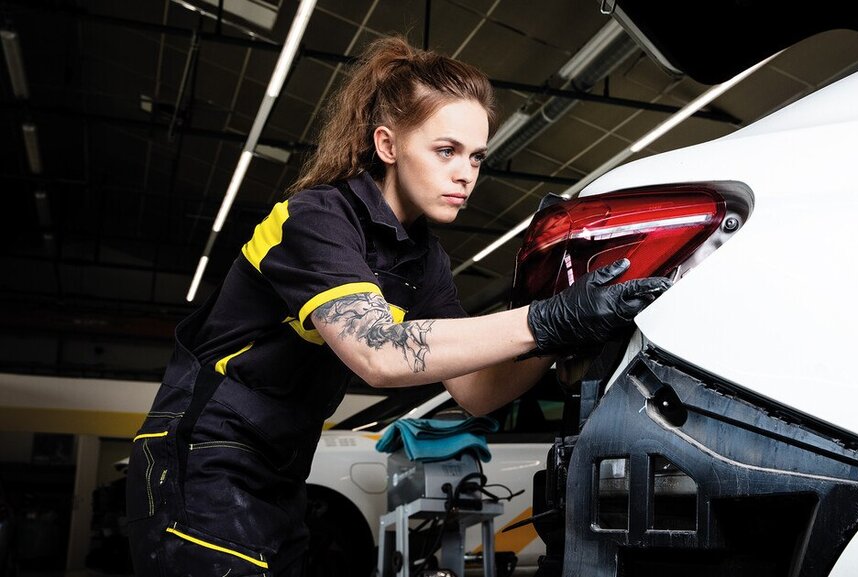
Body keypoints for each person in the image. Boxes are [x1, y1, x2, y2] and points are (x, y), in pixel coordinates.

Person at [125, 34, 670, 576]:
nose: (466, 173)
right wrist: (549, 317)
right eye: (446, 150)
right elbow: (379, 353)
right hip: (200, 459)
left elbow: (478, 390)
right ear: (387, 145)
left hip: (281, 469)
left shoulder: (421, 257)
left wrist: (565, 334)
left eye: (477, 156)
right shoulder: (315, 218)